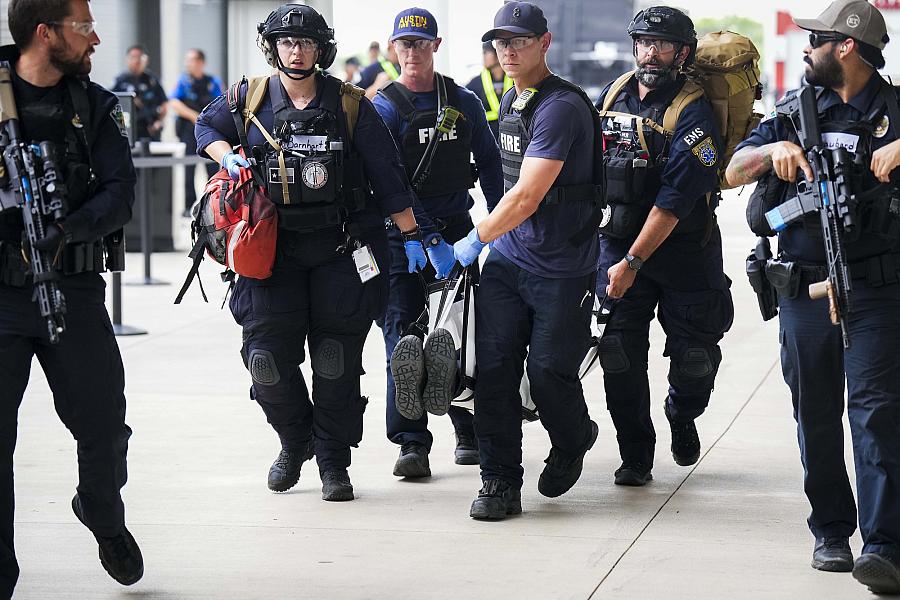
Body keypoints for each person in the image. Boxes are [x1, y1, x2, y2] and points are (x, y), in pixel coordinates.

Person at [195, 3, 429, 503]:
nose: (296, 51)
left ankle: (332, 462)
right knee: (266, 361)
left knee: (334, 361)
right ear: (272, 47)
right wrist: (225, 154)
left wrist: (414, 238)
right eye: (286, 42)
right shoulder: (247, 99)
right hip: (270, 255)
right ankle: (293, 440)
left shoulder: (350, 104)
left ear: (322, 50)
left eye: (305, 44)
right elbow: (204, 128)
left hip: (339, 251)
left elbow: (389, 178)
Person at [726, 0, 900, 592]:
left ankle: (883, 547)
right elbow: (733, 169)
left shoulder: (895, 110)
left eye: (816, 39)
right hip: (804, 287)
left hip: (877, 290)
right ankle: (830, 529)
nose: (806, 47)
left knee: (875, 415)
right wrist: (769, 152)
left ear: (846, 46)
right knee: (816, 414)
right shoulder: (797, 110)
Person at [0, 0, 143, 595]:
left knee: (104, 424)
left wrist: (68, 230)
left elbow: (120, 192)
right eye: (84, 27)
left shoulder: (94, 105)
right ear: (45, 32)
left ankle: (102, 514)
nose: (95, 39)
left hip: (74, 288)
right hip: (2, 297)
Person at [453, 1, 603, 520]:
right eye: (500, 42)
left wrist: (475, 237)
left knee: (547, 373)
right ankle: (499, 482)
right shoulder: (515, 100)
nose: (508, 51)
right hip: (509, 263)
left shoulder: (559, 106)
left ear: (545, 43)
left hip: (561, 267)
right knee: (492, 373)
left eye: (519, 41)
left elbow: (525, 197)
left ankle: (573, 437)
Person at [592, 7, 733, 488]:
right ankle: (635, 454)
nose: (651, 52)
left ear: (682, 52)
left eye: (663, 44)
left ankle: (682, 411)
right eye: (644, 42)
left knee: (695, 362)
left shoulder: (693, 112)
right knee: (619, 354)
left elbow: (674, 203)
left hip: (683, 254)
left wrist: (633, 261)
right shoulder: (612, 96)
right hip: (618, 243)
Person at [372, 7, 503, 478]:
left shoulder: (463, 101)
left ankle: (466, 430)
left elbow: (488, 162)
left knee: (462, 334)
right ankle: (411, 443)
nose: (412, 52)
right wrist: (422, 236)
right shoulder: (382, 107)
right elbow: (391, 184)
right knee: (403, 337)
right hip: (399, 239)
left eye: (421, 43)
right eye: (404, 44)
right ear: (393, 48)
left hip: (455, 230)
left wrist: (498, 225)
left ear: (436, 46)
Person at [169, 48, 222, 215]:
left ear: (201, 62)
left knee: (213, 169)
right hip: (188, 131)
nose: (188, 63)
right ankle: (188, 206)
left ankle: (213, 204)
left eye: (191, 60)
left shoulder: (212, 82)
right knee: (188, 169)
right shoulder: (184, 82)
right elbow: (174, 103)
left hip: (210, 131)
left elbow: (221, 102)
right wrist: (194, 116)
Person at [111, 44, 167, 141]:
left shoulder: (152, 81)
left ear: (146, 60)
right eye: (133, 57)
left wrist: (159, 122)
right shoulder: (120, 81)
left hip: (150, 130)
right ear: (127, 60)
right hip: (128, 130)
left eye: (140, 57)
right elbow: (111, 104)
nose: (136, 61)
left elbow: (164, 104)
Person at [466, 42, 513, 138]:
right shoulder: (475, 84)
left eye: (486, 52)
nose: (483, 56)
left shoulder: (517, 80)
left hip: (513, 140)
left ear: (498, 53)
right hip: (488, 141)